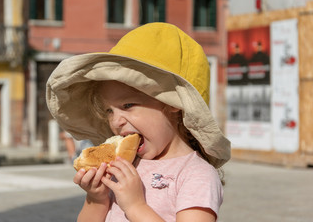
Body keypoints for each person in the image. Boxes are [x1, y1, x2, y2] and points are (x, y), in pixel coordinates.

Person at [46, 23, 231, 221]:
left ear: (172, 103)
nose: (116, 121)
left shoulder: (196, 174)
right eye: (109, 110)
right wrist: (96, 199)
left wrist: (135, 206)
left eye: (127, 105)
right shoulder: (122, 165)